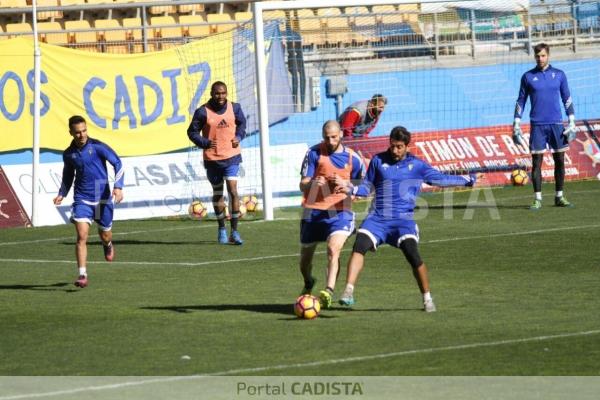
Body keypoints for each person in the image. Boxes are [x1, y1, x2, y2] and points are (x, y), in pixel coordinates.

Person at [335, 126, 476, 312]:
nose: (395, 150)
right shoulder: (378, 160)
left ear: (407, 146)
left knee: (413, 254)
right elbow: (367, 187)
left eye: (399, 147)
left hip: (403, 221)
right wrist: (351, 189)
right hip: (377, 219)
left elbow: (440, 179)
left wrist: (468, 179)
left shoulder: (417, 165)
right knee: (359, 245)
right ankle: (348, 291)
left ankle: (427, 298)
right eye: (392, 146)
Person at [298, 120, 365, 308]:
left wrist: (348, 186)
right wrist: (312, 184)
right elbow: (302, 184)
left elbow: (365, 186)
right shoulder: (313, 153)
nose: (330, 140)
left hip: (340, 212)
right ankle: (309, 281)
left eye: (334, 137)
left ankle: (328, 291)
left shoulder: (353, 159)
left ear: (341, 135)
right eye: (327, 137)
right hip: (313, 212)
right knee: (304, 262)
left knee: (333, 249)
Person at [53, 115, 124, 288]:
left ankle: (107, 244)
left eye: (84, 131)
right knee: (81, 236)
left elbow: (118, 163)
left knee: (105, 233)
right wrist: (62, 193)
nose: (82, 135)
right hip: (82, 198)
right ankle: (82, 274)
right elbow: (68, 175)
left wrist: (118, 187)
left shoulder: (97, 147)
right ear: (71, 132)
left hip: (102, 197)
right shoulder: (69, 154)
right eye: (77, 132)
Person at [512, 42, 576, 210]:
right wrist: (516, 123)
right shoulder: (527, 77)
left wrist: (572, 121)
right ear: (534, 57)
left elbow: (567, 98)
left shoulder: (559, 75)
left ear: (548, 55)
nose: (540, 59)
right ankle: (537, 198)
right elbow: (521, 101)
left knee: (560, 160)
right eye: (538, 56)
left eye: (543, 55)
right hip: (538, 125)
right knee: (537, 162)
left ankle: (559, 196)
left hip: (556, 124)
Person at [187, 81, 247, 245]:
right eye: (217, 93)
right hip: (213, 159)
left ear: (227, 93)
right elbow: (191, 132)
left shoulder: (235, 108)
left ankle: (234, 232)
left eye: (223, 93)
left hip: (232, 157)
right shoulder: (202, 112)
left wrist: (239, 137)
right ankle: (221, 228)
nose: (220, 97)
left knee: (233, 191)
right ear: (212, 94)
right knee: (218, 193)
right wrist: (205, 143)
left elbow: (242, 124)